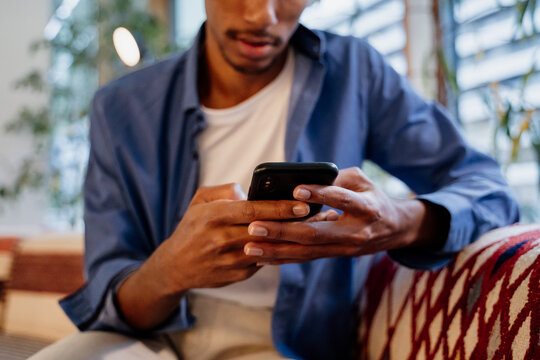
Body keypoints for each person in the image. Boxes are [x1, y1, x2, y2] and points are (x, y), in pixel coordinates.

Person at [31, 0, 519, 359]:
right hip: (150, 340)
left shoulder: (354, 73)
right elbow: (108, 298)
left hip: (293, 344)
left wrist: (403, 220)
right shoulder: (121, 110)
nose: (262, 16)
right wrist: (169, 270)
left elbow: (490, 190)